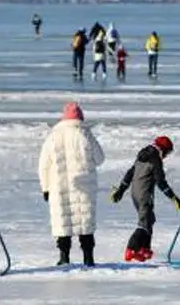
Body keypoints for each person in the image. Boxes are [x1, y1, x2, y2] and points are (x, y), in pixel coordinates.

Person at [39, 102, 106, 267]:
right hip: (84, 187)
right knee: (85, 223)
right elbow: (100, 158)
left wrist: (46, 188)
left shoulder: (53, 136)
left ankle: (64, 257)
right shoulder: (85, 134)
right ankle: (88, 258)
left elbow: (43, 165)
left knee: (63, 222)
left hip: (58, 187)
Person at [109, 136, 180, 262]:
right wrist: (173, 197)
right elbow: (160, 181)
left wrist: (120, 191)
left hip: (135, 194)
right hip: (145, 195)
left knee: (149, 219)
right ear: (163, 149)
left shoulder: (142, 155)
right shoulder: (155, 159)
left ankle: (144, 248)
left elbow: (130, 173)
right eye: (167, 152)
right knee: (144, 223)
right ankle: (131, 248)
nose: (166, 156)